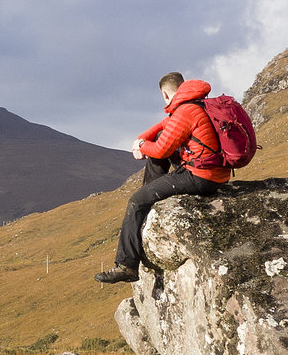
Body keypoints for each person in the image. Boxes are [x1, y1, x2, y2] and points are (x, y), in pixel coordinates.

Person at [95, 72, 231, 283]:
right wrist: (141, 139)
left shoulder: (185, 112)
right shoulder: (196, 104)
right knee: (159, 137)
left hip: (201, 177)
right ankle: (150, 194)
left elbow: (160, 149)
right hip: (213, 172)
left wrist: (142, 146)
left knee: (136, 201)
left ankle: (127, 266)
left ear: (166, 94)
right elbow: (162, 127)